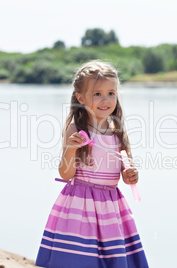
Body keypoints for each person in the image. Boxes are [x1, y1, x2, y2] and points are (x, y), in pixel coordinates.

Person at [35, 60, 149, 268]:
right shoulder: (76, 130)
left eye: (111, 93)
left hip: (110, 207)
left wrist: (131, 174)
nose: (105, 100)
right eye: (97, 94)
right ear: (81, 98)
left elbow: (125, 171)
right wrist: (71, 149)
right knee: (80, 259)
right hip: (80, 206)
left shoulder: (118, 132)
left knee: (111, 259)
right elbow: (66, 174)